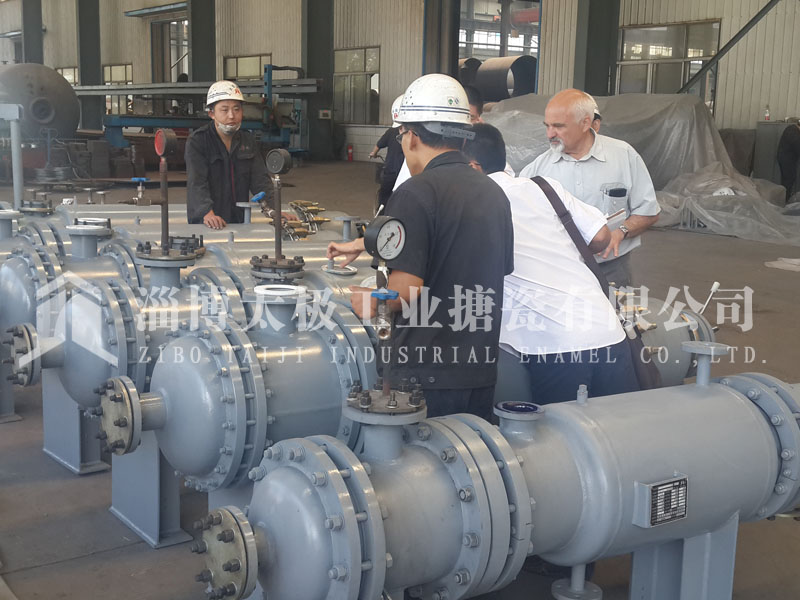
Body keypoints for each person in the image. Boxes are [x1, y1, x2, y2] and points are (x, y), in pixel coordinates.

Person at [328, 74, 515, 420]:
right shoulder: (494, 193)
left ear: (411, 136)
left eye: (401, 135)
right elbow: (491, 271)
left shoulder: (415, 192)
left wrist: (370, 300)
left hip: (423, 376)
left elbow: (406, 290)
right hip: (479, 369)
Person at [464, 123, 640, 403]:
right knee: (621, 424)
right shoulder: (543, 187)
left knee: (563, 430)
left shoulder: (471, 203)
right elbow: (601, 236)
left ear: (473, 168)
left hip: (555, 345)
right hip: (607, 330)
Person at [519, 89, 660, 289]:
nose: (550, 134)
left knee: (615, 309)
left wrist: (621, 231)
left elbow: (648, 212)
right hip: (558, 271)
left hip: (612, 268)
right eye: (547, 126)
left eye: (558, 126)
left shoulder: (623, 156)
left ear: (585, 123)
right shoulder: (537, 170)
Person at [392, 84, 512, 191]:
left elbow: (503, 179)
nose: (459, 127)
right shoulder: (422, 152)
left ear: (479, 120)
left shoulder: (486, 149)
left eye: (469, 118)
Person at [185, 80, 272, 229]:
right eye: (224, 110)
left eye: (236, 109)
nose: (231, 116)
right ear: (212, 113)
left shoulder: (247, 141)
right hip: (206, 221)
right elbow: (197, 182)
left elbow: (261, 180)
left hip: (239, 218)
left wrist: (275, 210)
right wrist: (206, 213)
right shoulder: (198, 141)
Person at [369, 95, 405, 210]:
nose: (401, 133)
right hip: (400, 172)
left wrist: (373, 153)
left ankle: (382, 213)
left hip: (391, 172)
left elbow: (378, 145)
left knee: (384, 196)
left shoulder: (391, 131)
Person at [777, 120, 800, 203]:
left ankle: (784, 198)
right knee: (788, 180)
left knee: (787, 180)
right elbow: (798, 147)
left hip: (786, 158)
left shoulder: (792, 129)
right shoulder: (793, 132)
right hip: (787, 160)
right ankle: (784, 200)